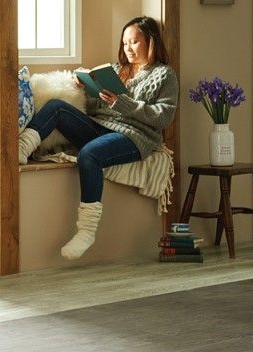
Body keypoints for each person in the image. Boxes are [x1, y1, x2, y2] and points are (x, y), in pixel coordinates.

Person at [18, 16, 178, 260]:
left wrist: (122, 103)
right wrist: (85, 87)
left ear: (151, 42)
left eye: (134, 42)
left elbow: (163, 117)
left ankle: (86, 231)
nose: (128, 48)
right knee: (56, 107)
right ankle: (22, 148)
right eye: (125, 43)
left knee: (90, 154)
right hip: (101, 126)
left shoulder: (164, 76)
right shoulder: (117, 70)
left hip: (135, 136)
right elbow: (96, 106)